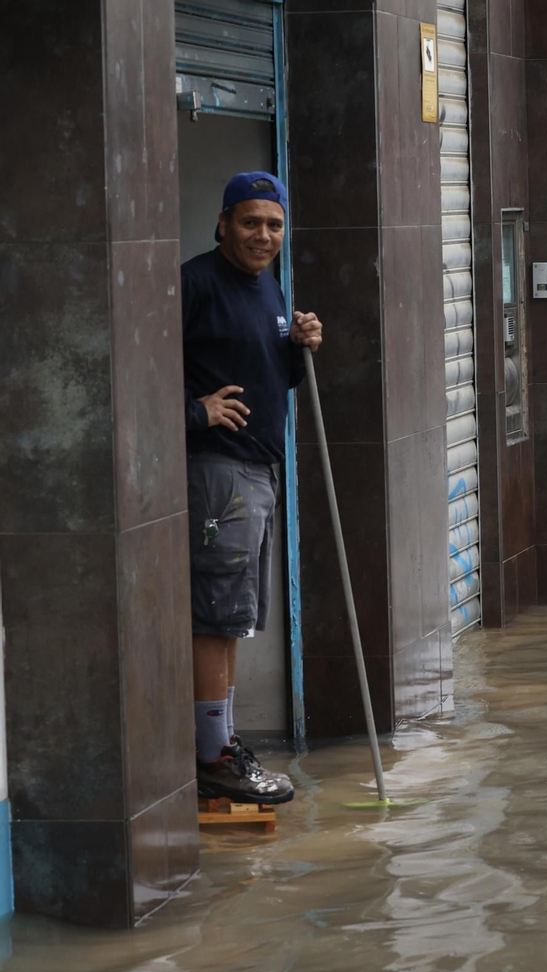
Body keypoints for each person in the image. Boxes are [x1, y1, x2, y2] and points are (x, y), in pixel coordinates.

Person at [183, 171, 322, 804]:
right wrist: (197, 412)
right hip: (219, 473)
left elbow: (269, 375)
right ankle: (211, 757)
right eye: (249, 222)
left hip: (257, 472)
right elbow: (136, 370)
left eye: (273, 224)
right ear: (223, 223)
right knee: (215, 617)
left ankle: (222, 742)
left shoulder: (267, 286)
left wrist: (297, 347)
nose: (263, 235)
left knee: (233, 618)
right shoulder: (195, 284)